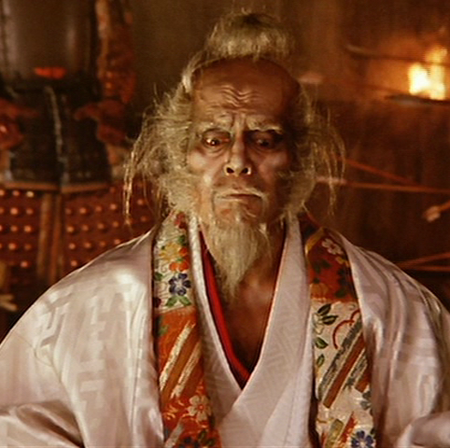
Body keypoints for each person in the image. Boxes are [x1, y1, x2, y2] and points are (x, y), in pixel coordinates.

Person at [1, 11, 450, 448]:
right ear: (182, 156)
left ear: (298, 158)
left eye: (264, 139)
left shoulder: (389, 308)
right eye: (214, 140)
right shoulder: (92, 307)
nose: (237, 160)